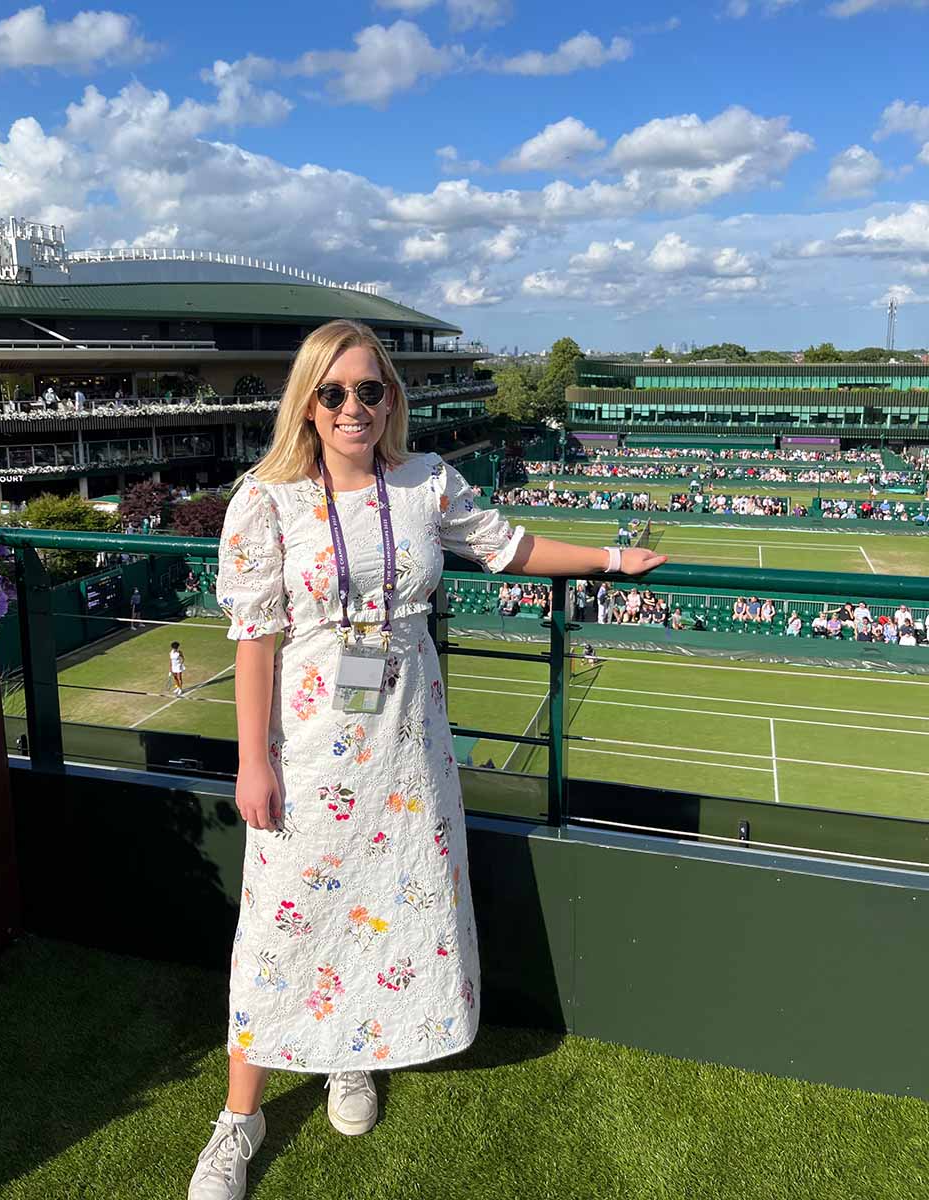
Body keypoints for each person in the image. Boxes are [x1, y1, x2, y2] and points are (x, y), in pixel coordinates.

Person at [193, 319, 666, 1198]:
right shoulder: (265, 499)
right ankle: (240, 1119)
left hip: (407, 747)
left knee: (383, 904)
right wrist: (251, 758)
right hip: (306, 752)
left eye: (369, 390)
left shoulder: (424, 483)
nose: (352, 408)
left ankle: (349, 1060)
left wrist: (609, 556)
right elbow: (254, 639)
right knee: (278, 924)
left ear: (391, 399)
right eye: (333, 392)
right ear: (308, 401)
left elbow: (509, 547)